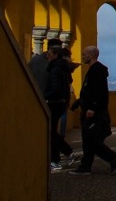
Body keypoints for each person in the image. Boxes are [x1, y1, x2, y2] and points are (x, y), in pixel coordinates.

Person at [68, 46, 116, 175]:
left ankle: (112, 157)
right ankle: (85, 166)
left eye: (84, 54)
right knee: (88, 139)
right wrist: (79, 102)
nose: (82, 56)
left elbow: (98, 92)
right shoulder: (94, 70)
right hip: (91, 110)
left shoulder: (96, 71)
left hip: (95, 112)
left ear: (92, 56)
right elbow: (89, 91)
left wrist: (92, 107)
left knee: (91, 140)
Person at [44, 39, 74, 172]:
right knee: (52, 132)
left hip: (54, 103)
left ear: (55, 54)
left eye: (49, 54)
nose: (47, 56)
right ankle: (64, 154)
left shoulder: (55, 69)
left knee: (51, 133)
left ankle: (56, 160)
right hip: (61, 103)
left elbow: (55, 88)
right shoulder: (62, 67)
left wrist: (45, 95)